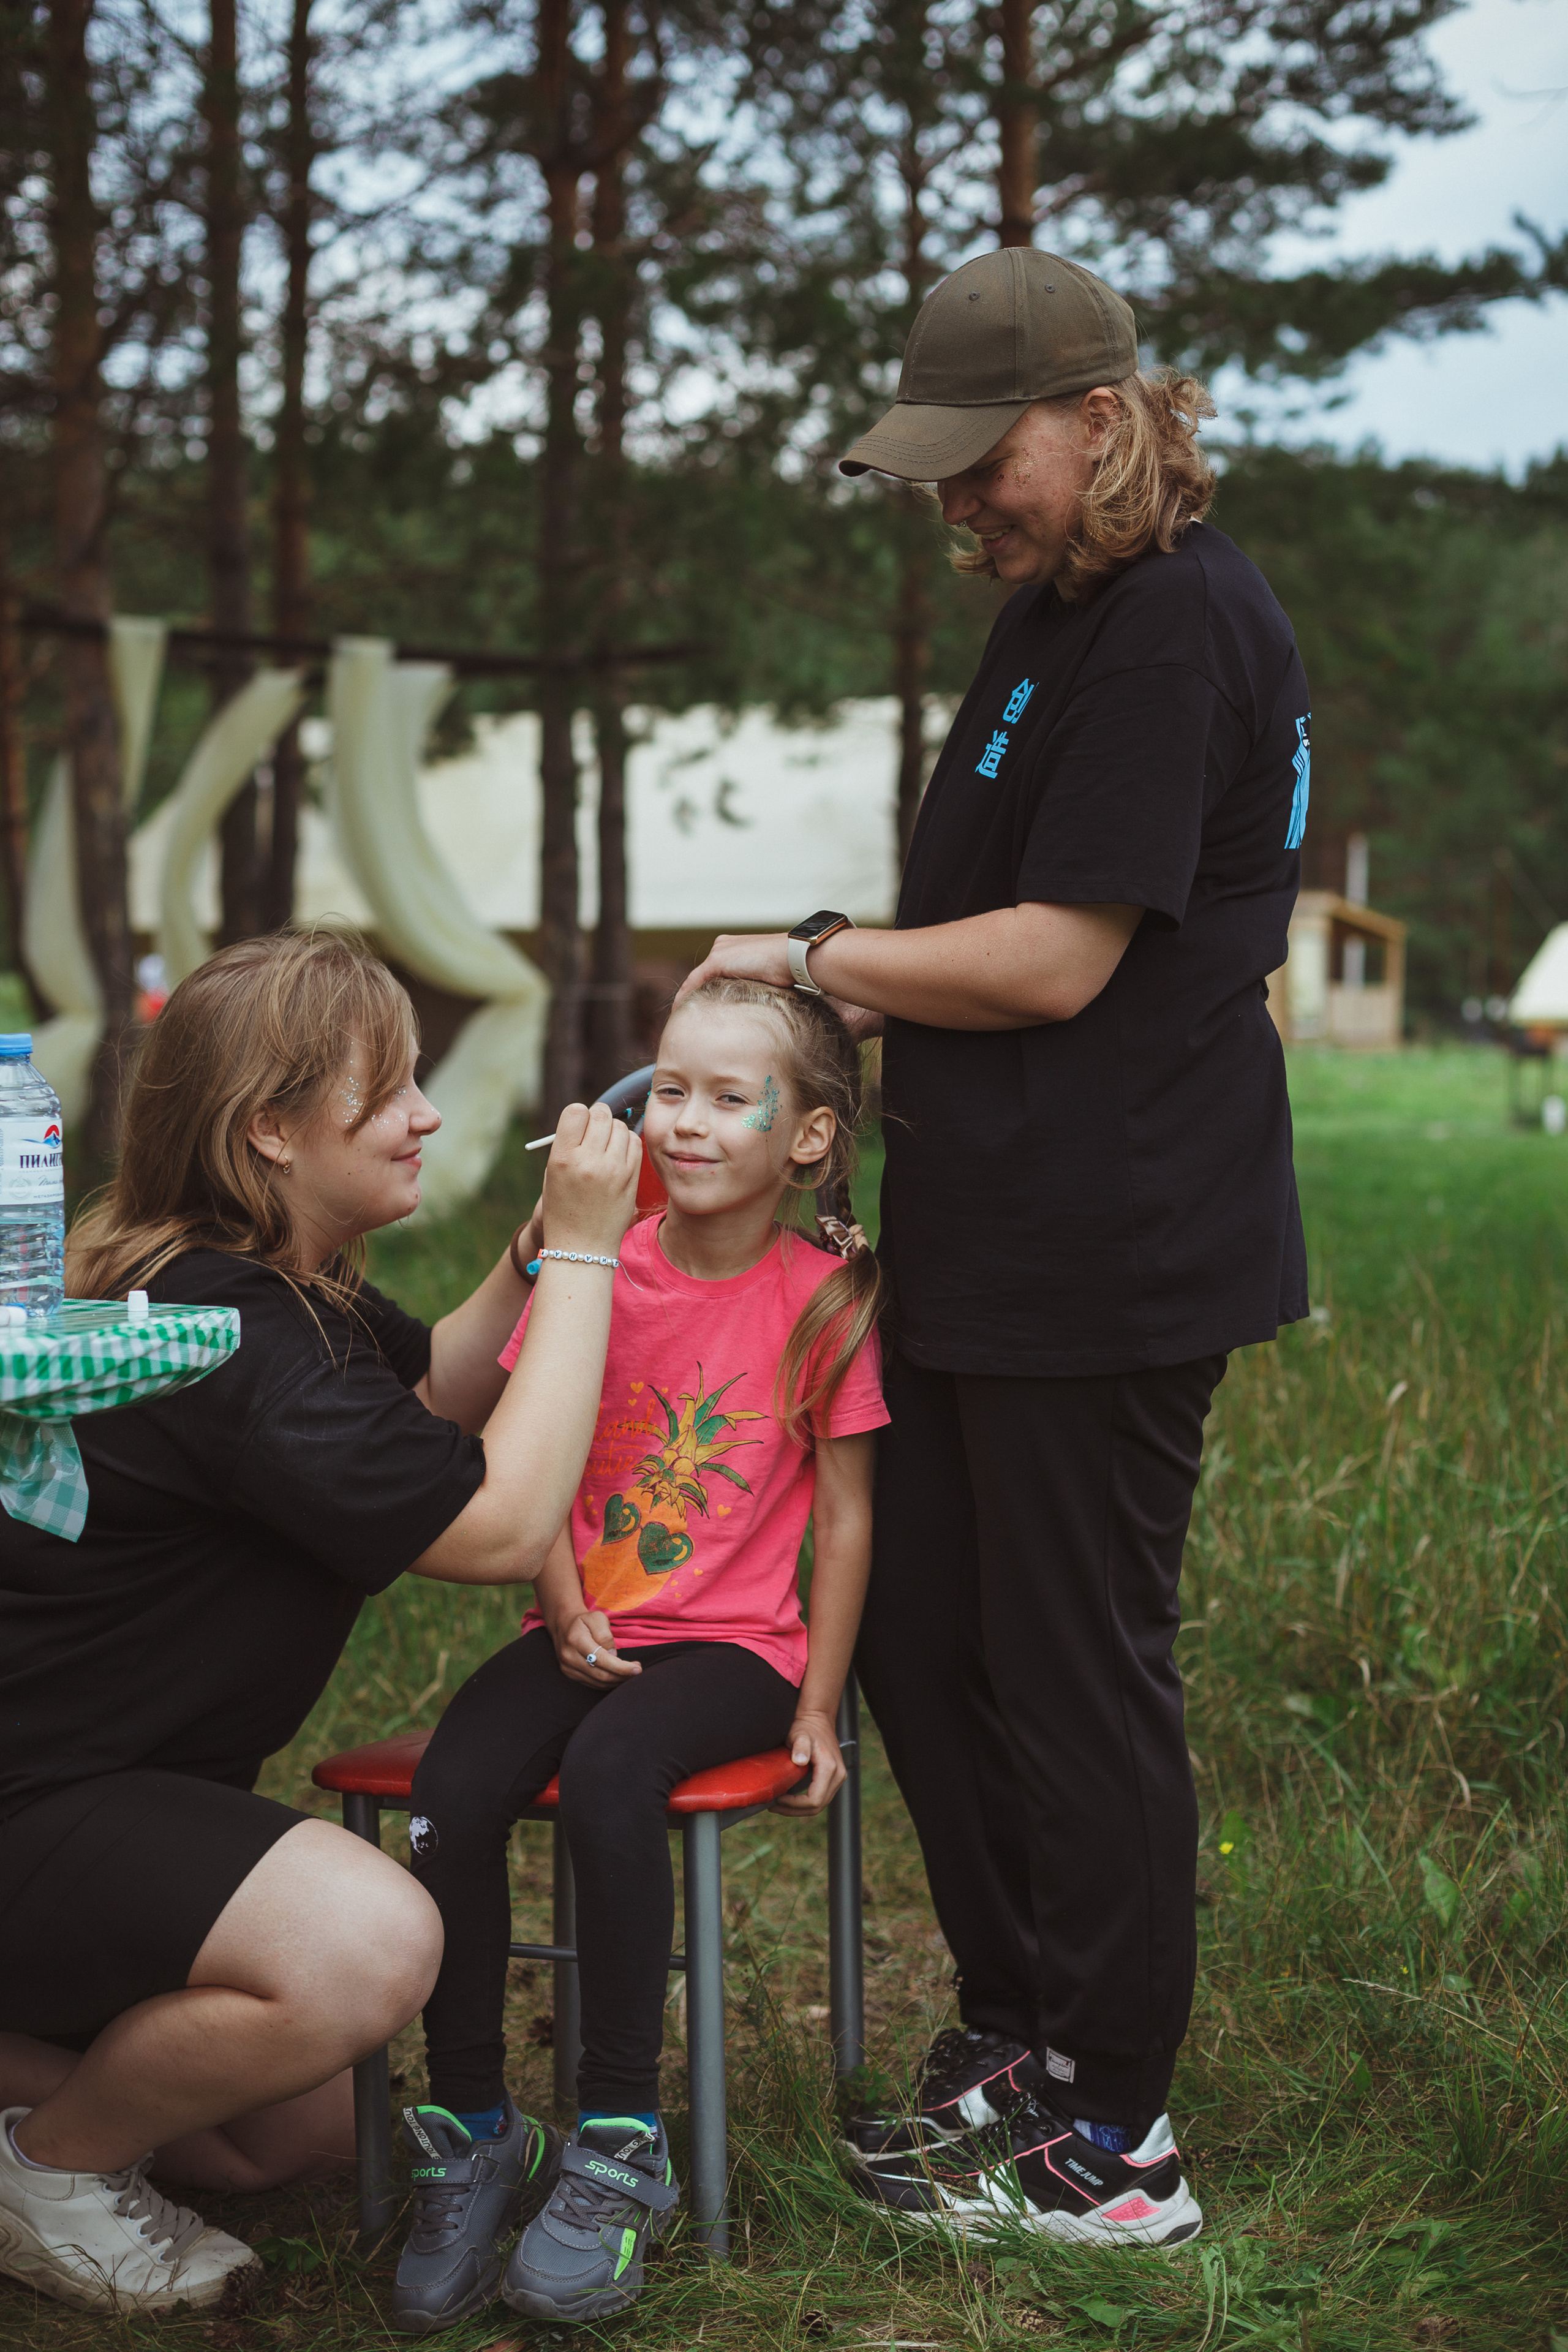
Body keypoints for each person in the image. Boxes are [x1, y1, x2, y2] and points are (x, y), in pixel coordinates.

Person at [679, 246, 1310, 2248]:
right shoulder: (1063, 611)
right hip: (985, 1237)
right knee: (927, 1640)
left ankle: (1115, 2138)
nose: (959, 497)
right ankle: (1025, 2035)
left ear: (1106, 419)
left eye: (988, 457)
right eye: (935, 465)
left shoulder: (1177, 625)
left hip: (1112, 1247)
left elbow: (1052, 963)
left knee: (1073, 1670)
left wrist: (803, 955)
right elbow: (983, 933)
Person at [0, 928, 641, 2317]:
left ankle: (43, 2111)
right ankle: (49, 2171)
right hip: (34, 1803)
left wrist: (533, 1257)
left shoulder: (259, 1287)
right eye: (387, 1091)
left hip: (96, 1796)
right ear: (271, 1130)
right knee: (364, 1950)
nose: (426, 1115)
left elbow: (426, 1401)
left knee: (286, 2133)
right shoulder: (242, 1345)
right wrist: (593, 1256)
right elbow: (499, 1528)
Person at [391, 978, 888, 2334]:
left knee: (614, 1777)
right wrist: (559, 1603)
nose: (685, 1120)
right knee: (450, 1791)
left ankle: (619, 2137)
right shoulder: (593, 1265)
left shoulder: (827, 1300)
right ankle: (474, 2124)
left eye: (730, 1098)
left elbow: (846, 1521)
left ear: (808, 1137)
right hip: (579, 1625)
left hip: (737, 1648)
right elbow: (529, 1457)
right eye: (669, 1088)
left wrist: (821, 1707)